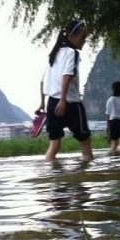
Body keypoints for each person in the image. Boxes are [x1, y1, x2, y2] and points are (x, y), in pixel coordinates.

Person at [37, 20, 92, 163]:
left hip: (52, 103)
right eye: (82, 38)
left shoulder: (53, 55)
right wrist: (63, 100)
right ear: (71, 37)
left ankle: (51, 176)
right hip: (70, 104)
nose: (84, 41)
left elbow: (42, 81)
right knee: (84, 141)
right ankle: (86, 174)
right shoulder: (71, 53)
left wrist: (42, 103)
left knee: (54, 145)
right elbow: (67, 75)